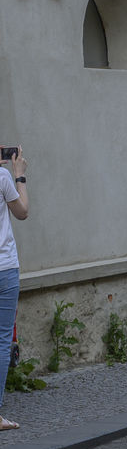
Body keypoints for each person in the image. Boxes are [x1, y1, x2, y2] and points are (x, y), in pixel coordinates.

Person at [0, 146, 28, 431]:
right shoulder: (3, 176)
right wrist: (20, 176)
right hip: (4, 268)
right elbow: (22, 212)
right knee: (1, 341)